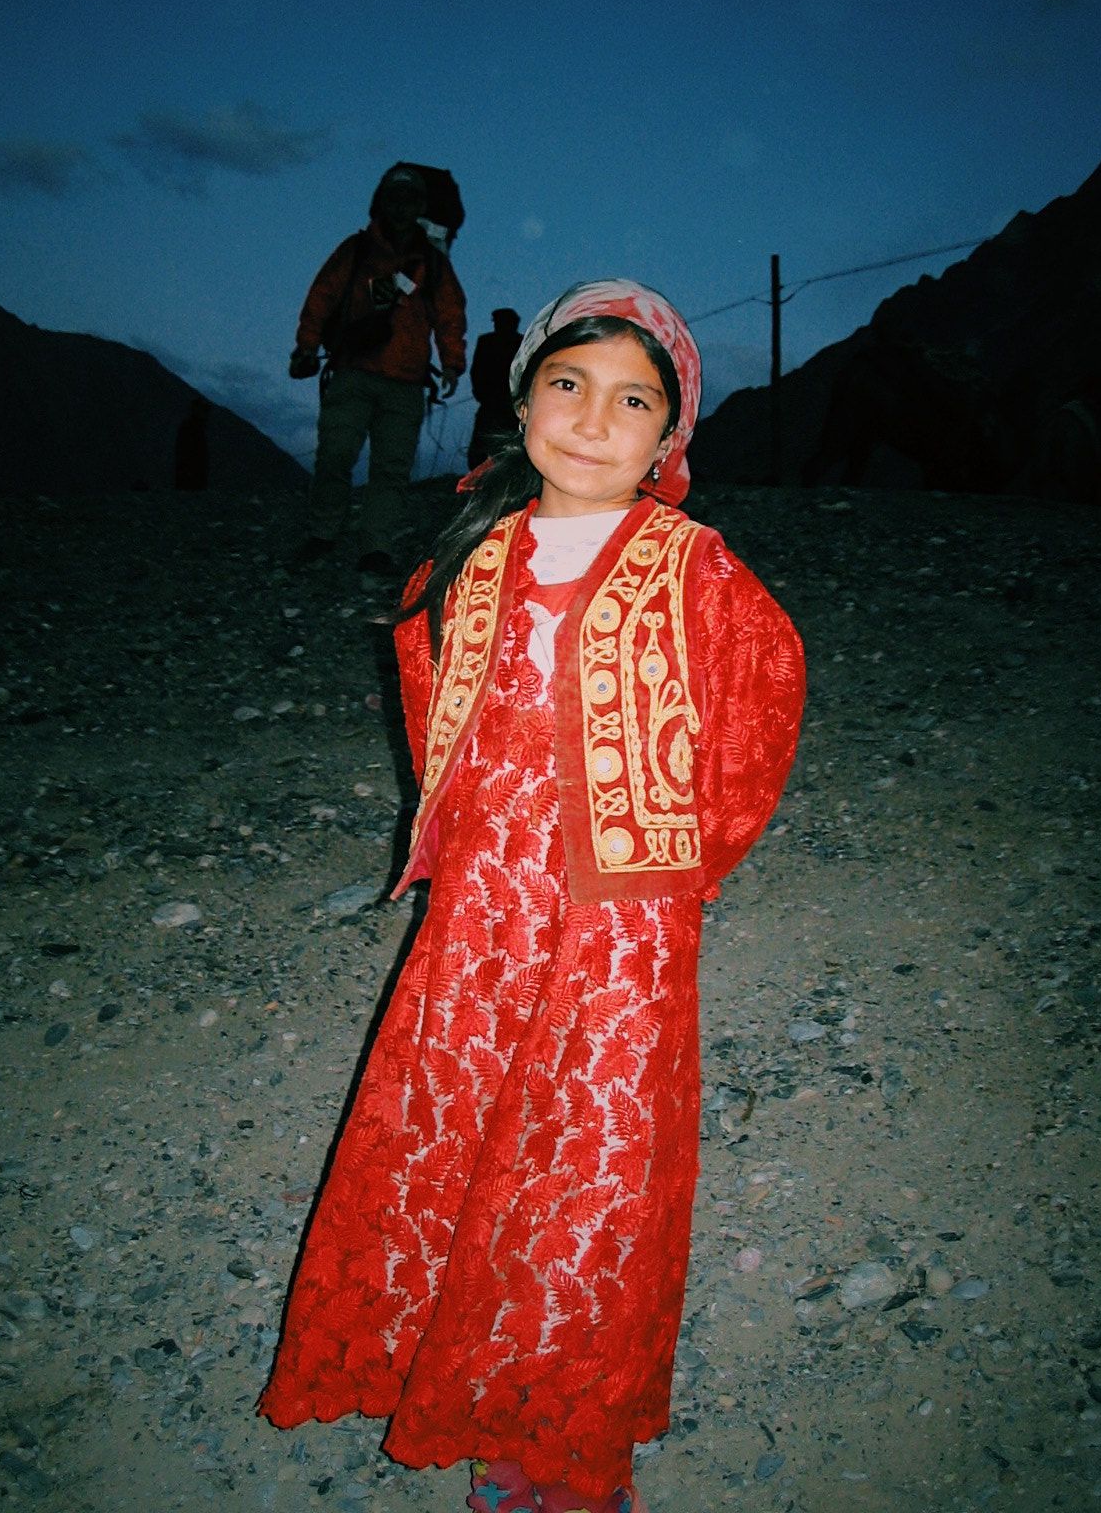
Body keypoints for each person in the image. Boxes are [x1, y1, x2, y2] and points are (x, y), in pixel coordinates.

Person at [258, 280, 806, 1511]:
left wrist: (678, 866)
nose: (594, 419)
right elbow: (425, 675)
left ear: (669, 437)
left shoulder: (695, 567)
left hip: (622, 929)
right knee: (460, 1124)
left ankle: (557, 1424)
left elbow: (762, 705)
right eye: (569, 384)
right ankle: (438, 1360)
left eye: (633, 400)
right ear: (521, 398)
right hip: (484, 913)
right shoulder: (477, 550)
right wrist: (459, 833)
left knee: (591, 1157)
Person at [288, 164, 467, 573]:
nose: (401, 208)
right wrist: (306, 346)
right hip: (353, 371)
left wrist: (452, 361)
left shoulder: (434, 263)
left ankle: (376, 546)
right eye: (394, 199)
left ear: (420, 205)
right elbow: (323, 296)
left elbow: (449, 313)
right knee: (335, 455)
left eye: (409, 200)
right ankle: (324, 531)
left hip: (405, 383)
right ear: (382, 203)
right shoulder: (355, 251)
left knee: (391, 468)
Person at [467, 306, 523, 470]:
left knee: (499, 445)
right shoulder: (518, 342)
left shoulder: (488, 341)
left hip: (504, 404)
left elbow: (476, 371)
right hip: (499, 403)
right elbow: (477, 371)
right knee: (490, 445)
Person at [174, 395, 210, 490]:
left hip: (196, 477)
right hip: (188, 477)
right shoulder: (189, 426)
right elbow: (183, 452)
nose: (204, 413)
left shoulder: (200, 428)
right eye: (201, 409)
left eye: (205, 410)